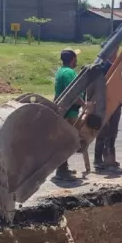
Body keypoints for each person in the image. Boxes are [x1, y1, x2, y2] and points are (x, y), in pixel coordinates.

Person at [92, 43, 122, 171]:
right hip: (104, 103)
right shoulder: (102, 66)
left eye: (116, 48)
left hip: (117, 102)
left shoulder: (120, 64)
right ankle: (97, 159)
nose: (115, 50)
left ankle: (109, 158)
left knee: (113, 131)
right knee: (102, 130)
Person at [53, 48, 84, 181]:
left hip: (63, 111)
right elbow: (73, 92)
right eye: (75, 58)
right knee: (68, 141)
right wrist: (84, 104)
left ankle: (63, 167)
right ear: (72, 59)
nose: (76, 60)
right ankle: (61, 170)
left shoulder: (61, 71)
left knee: (64, 140)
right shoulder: (69, 73)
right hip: (69, 112)